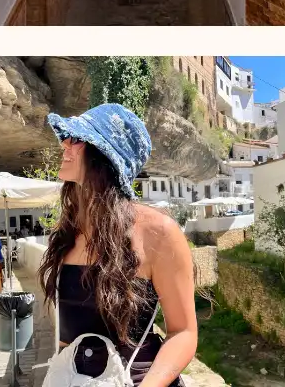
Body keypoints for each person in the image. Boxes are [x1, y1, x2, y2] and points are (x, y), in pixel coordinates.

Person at [41, 103, 199, 387]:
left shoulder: (159, 232)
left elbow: (184, 332)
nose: (65, 144)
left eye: (76, 139)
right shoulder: (67, 233)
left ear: (104, 157)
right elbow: (68, 337)